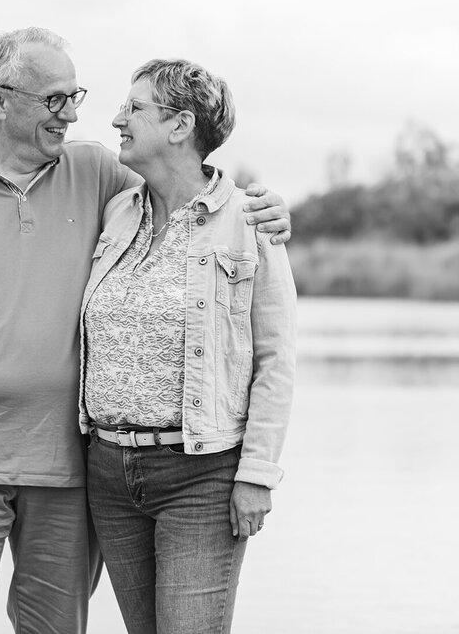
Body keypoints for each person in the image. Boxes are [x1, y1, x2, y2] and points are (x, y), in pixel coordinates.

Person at [0, 29, 292, 634]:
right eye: (54, 99)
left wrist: (266, 207)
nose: (73, 114)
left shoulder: (97, 173)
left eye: (75, 96)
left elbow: (191, 195)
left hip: (68, 464)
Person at [79, 58, 297, 633]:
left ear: (180, 125)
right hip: (108, 471)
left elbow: (276, 361)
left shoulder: (250, 223)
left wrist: (257, 473)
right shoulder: (117, 214)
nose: (118, 118)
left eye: (134, 108)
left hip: (201, 475)